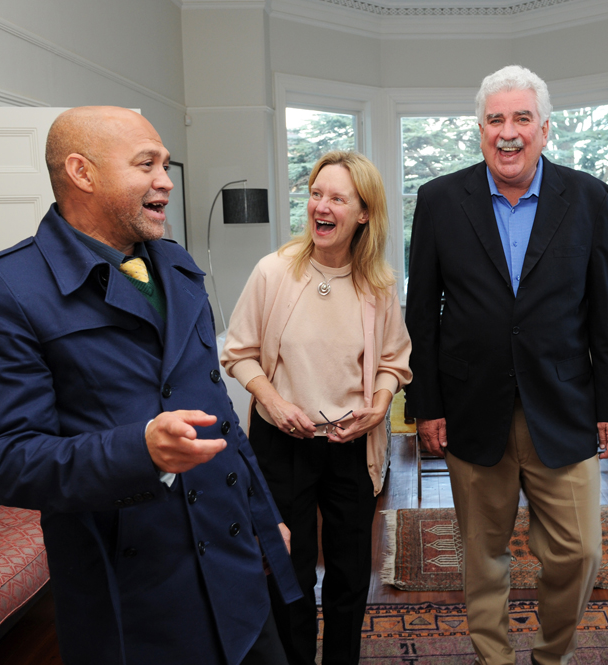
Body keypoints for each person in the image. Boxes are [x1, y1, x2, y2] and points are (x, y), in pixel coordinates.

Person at [0, 106, 302, 665]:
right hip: (136, 595)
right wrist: (138, 451)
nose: (165, 179)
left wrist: (265, 518)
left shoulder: (176, 264)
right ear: (82, 172)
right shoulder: (5, 290)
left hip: (236, 563)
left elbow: (221, 414)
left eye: (164, 164)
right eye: (147, 164)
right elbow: (2, 461)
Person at [405, 65, 608, 665]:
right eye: (496, 119)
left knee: (579, 552)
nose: (509, 132)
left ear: (545, 130)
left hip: (564, 404)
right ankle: (495, 657)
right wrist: (424, 405)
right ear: (479, 129)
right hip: (470, 405)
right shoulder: (438, 200)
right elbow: (421, 314)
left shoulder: (588, 198)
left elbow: (607, 309)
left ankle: (550, 655)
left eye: (522, 119)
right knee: (483, 553)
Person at [221, 150, 412, 665]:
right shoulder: (273, 272)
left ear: (363, 213)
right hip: (282, 443)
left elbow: (395, 360)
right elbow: (237, 353)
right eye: (315, 194)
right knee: (291, 568)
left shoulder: (381, 285)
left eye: (337, 198)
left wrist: (380, 401)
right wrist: (275, 402)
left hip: (352, 445)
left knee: (351, 573)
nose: (320, 207)